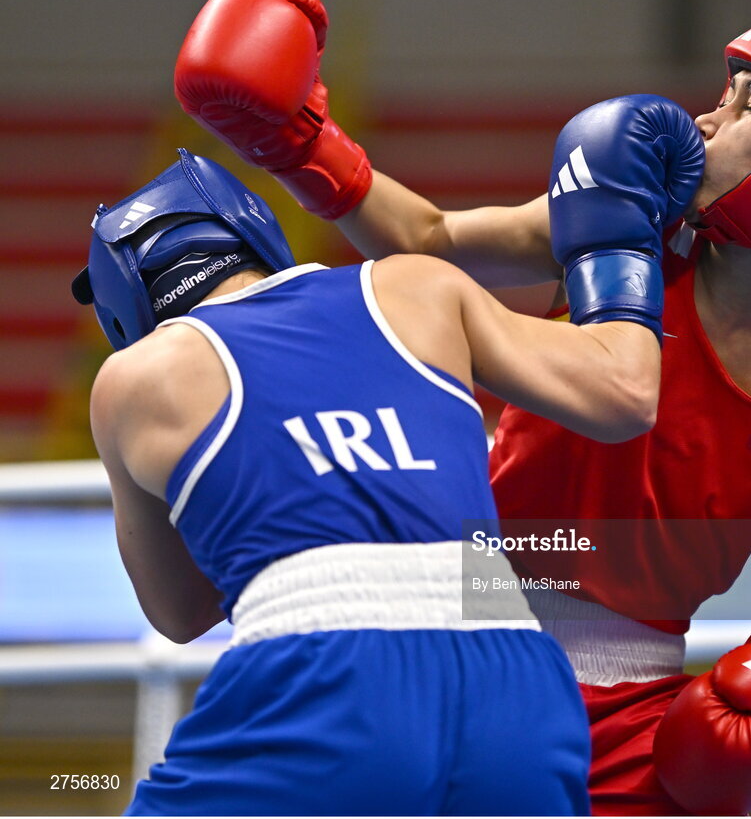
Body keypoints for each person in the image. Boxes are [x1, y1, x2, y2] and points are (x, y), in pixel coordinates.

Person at [173, 0, 751, 815]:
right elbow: (429, 239)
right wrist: (300, 143)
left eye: (748, 107)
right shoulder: (622, 233)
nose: (704, 122)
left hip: (639, 704)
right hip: (470, 626)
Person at [71, 123, 704, 812]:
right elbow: (626, 392)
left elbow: (182, 611)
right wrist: (617, 227)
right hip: (515, 678)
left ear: (125, 310)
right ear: (254, 232)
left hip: (321, 680)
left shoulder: (133, 380)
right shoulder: (417, 286)